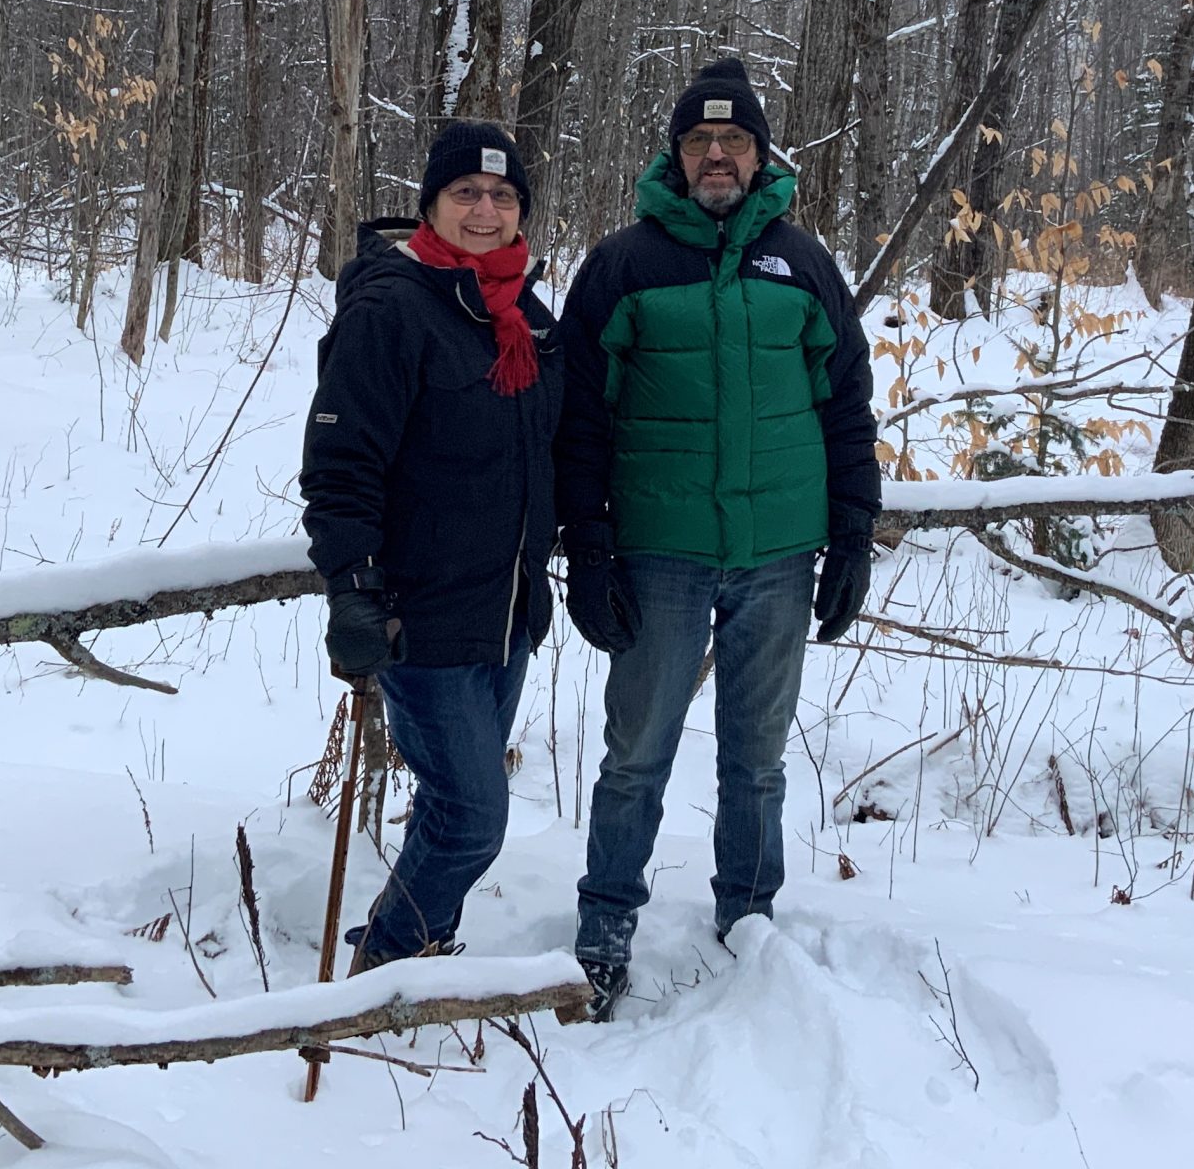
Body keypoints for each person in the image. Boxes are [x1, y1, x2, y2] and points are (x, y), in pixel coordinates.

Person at [554, 58, 880, 1019]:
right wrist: (591, 546)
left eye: (734, 140)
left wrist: (853, 530)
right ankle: (606, 921)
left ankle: (748, 917)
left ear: (761, 154)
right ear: (676, 152)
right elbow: (581, 420)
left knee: (758, 757)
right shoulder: (623, 265)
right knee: (636, 755)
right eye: (700, 140)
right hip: (660, 552)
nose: (717, 155)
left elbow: (846, 405)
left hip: (779, 553)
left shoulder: (805, 263)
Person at [299, 121, 564, 971]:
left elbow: (552, 454)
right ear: (432, 206)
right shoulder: (392, 310)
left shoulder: (525, 316)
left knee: (461, 809)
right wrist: (353, 587)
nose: (485, 210)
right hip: (422, 616)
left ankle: (413, 942)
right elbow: (342, 466)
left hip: (507, 614)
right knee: (471, 815)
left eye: (503, 196)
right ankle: (388, 964)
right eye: (466, 195)